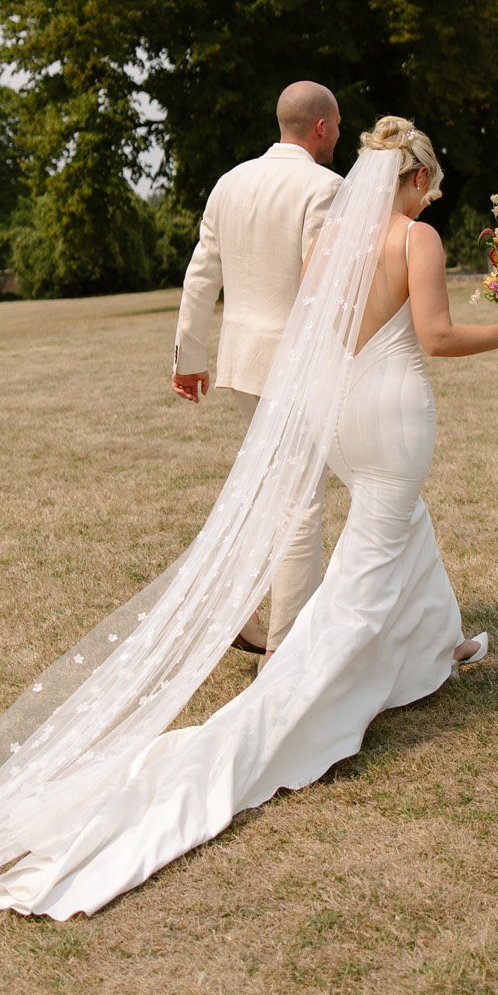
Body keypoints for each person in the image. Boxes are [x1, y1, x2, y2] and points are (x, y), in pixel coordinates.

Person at [0, 117, 498, 939]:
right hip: (392, 412)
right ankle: (278, 714)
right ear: (416, 180)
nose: (432, 195)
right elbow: (434, 335)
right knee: (366, 568)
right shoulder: (414, 240)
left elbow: (317, 332)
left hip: (342, 410)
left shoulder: (331, 244)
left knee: (397, 528)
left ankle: (440, 642)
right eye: (430, 183)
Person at [173, 79, 342, 656]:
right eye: (338, 125)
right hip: (296, 366)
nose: (340, 134)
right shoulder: (325, 186)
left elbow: (202, 273)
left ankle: (234, 615)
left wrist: (188, 358)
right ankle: (288, 646)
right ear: (320, 127)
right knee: (300, 500)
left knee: (269, 488)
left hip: (242, 364)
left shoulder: (230, 182)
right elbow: (323, 286)